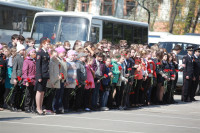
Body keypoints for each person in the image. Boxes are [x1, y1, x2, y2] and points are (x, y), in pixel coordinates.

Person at [35, 37, 50, 115]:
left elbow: (47, 65)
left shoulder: (46, 53)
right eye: (47, 44)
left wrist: (48, 76)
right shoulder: (40, 52)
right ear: (43, 44)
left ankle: (41, 107)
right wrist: (39, 76)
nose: (48, 45)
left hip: (45, 74)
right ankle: (38, 108)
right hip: (41, 75)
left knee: (43, 92)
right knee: (39, 91)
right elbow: (38, 66)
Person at [10, 44, 25, 111]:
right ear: (19, 50)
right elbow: (14, 69)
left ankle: (17, 105)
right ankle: (12, 105)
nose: (24, 51)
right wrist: (14, 78)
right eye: (22, 50)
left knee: (19, 92)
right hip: (17, 76)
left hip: (21, 77)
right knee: (15, 92)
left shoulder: (22, 57)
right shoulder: (16, 57)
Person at [22, 47, 36, 113]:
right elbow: (25, 71)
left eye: (34, 52)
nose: (34, 53)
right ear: (29, 53)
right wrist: (26, 80)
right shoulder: (26, 61)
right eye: (32, 52)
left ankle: (32, 107)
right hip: (29, 79)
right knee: (28, 94)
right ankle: (27, 107)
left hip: (34, 80)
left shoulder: (35, 61)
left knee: (33, 94)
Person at [0, 44, 7, 111]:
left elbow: (4, 68)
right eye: (0, 49)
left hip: (2, 77)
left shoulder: (3, 57)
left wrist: (3, 78)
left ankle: (1, 104)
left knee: (2, 91)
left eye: (2, 49)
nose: (1, 51)